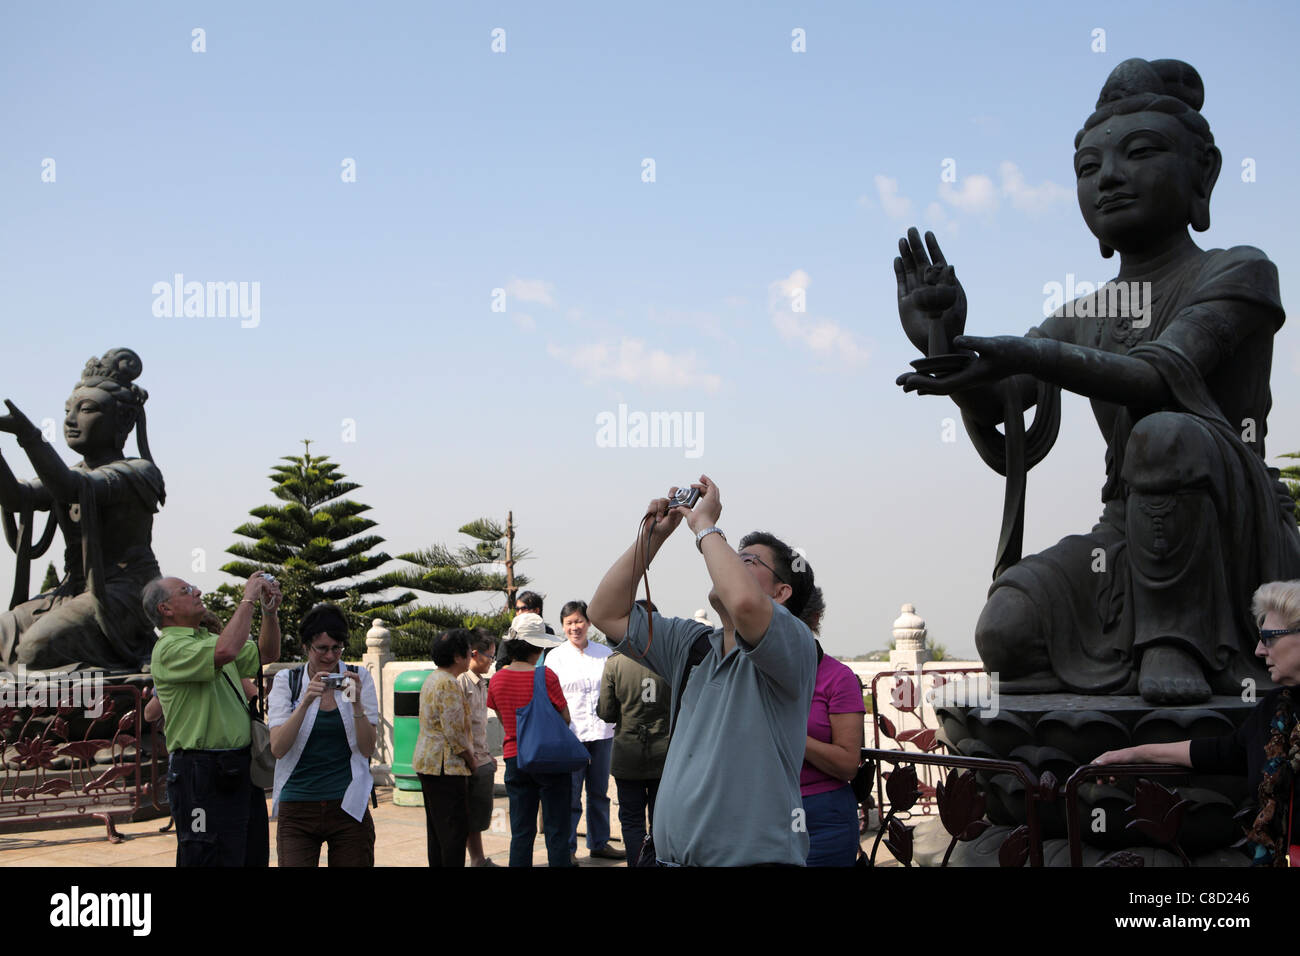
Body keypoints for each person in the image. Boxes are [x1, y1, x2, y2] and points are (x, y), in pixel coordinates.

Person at [895, 58, 1300, 704]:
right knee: (1005, 630)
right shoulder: (1083, 315)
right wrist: (941, 341)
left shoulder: (1241, 272)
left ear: (1204, 173)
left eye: (1139, 154)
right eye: (1088, 168)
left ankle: (1180, 639)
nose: (1108, 177)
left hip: (1230, 527)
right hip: (1125, 533)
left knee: (1166, 434)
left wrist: (1021, 353)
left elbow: (1160, 376)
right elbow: (1008, 410)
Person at [588, 476, 818, 866]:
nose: (726, 559)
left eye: (746, 561)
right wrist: (654, 538)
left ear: (781, 594)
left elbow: (745, 604)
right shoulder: (693, 645)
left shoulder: (794, 645)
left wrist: (707, 527)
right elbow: (605, 612)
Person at [1096, 580, 1300, 866]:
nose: (1258, 650)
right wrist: (1131, 754)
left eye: (1269, 638)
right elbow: (1220, 751)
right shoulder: (1276, 709)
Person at [0, 348, 165, 671]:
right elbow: (18, 499)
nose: (71, 421)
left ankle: (92, 692)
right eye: (67, 411)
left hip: (124, 591)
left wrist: (29, 437)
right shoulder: (76, 472)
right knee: (3, 633)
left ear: (122, 419)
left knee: (34, 650)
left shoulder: (138, 472)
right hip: (73, 589)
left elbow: (70, 488)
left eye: (86, 410)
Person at [145, 570, 281, 866]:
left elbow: (266, 653)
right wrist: (248, 599)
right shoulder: (169, 648)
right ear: (165, 609)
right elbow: (227, 650)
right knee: (206, 856)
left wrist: (269, 614)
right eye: (185, 590)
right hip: (200, 774)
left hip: (238, 767)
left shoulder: (208, 639)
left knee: (250, 854)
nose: (197, 592)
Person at [267, 603, 379, 867]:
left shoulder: (358, 676)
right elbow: (278, 748)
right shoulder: (288, 681)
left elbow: (367, 748)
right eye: (323, 649)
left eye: (337, 648)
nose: (331, 657)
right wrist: (305, 702)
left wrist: (356, 703)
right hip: (297, 806)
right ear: (306, 647)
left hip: (348, 804)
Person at [487, 613, 574, 867]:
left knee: (522, 832)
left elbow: (504, 720)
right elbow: (565, 718)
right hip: (549, 760)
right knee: (557, 830)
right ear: (537, 646)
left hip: (515, 758)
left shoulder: (498, 679)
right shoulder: (546, 677)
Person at [546, 599, 621, 863]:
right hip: (571, 735)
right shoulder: (555, 657)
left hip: (603, 732)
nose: (574, 627)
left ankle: (599, 842)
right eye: (569, 623)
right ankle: (567, 849)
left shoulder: (605, 653)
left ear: (589, 623)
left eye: (579, 621)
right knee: (571, 795)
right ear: (563, 626)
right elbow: (550, 698)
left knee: (599, 792)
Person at [597, 600, 670, 866]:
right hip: (666, 753)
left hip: (628, 754)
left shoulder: (615, 662)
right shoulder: (669, 660)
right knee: (661, 819)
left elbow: (605, 712)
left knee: (631, 820)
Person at [797, 586, 865, 866]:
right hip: (757, 812)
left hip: (821, 818)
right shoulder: (747, 673)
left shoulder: (838, 678)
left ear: (814, 619)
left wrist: (790, 733)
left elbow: (849, 763)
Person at [412, 628, 475, 867]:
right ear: (458, 657)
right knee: (453, 834)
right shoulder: (449, 684)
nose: (471, 655)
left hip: (428, 763)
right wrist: (471, 759)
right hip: (445, 768)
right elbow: (454, 733)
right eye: (468, 651)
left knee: (437, 832)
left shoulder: (432, 678)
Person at [458, 627, 499, 867]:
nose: (492, 662)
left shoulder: (482, 683)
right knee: (466, 817)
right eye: (490, 656)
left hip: (481, 759)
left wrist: (488, 756)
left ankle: (478, 859)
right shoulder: (460, 682)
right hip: (467, 762)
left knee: (477, 817)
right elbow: (459, 728)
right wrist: (472, 759)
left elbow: (479, 727)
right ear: (475, 653)